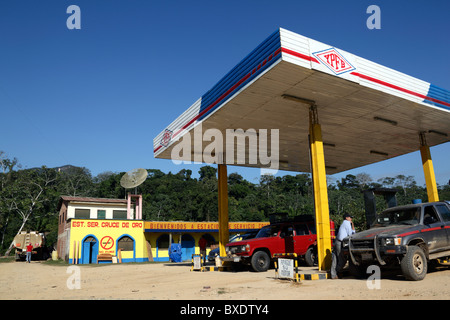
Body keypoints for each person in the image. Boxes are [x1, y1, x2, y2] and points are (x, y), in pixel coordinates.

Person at [331, 213, 355, 279]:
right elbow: (351, 234)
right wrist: (352, 226)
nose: (351, 219)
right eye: (350, 217)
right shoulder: (347, 223)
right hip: (340, 243)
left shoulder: (344, 223)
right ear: (347, 218)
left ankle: (333, 274)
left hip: (337, 241)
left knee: (335, 258)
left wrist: (352, 225)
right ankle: (337, 271)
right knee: (343, 259)